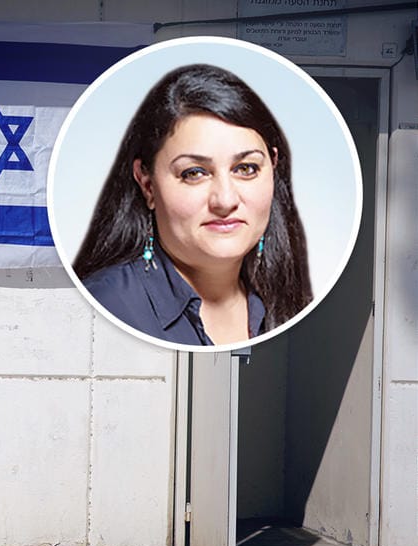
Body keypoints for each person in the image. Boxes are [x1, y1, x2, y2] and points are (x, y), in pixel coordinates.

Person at [73, 64, 311, 347]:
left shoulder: (289, 302)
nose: (225, 200)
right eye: (194, 173)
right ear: (147, 184)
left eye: (246, 168)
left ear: (273, 167)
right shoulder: (107, 306)